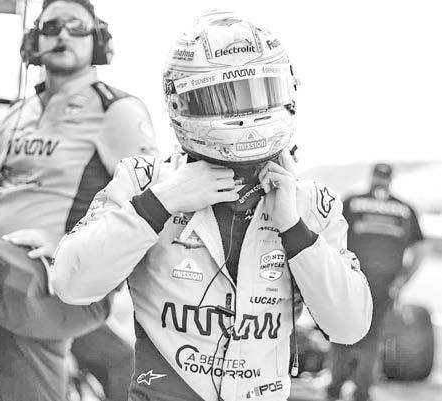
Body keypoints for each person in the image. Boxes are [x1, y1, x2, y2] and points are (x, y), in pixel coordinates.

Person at [53, 11, 372, 401]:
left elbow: (350, 326)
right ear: (180, 103)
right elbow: (71, 283)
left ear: (287, 92)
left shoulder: (311, 203)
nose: (244, 113)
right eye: (223, 97)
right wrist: (161, 203)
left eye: (258, 92)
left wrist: (295, 230)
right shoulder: (144, 182)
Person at [0, 0, 156, 400]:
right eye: (51, 26)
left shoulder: (117, 110)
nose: (63, 34)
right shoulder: (16, 114)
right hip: (3, 276)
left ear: (98, 40)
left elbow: (150, 206)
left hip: (65, 281)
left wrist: (69, 241)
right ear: (34, 41)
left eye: (77, 26)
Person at [326, 163, 425, 401]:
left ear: (372, 178)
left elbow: (330, 237)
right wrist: (401, 281)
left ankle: (336, 388)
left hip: (353, 281)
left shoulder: (352, 202)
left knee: (341, 332)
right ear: (390, 180)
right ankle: (361, 391)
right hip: (384, 285)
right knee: (373, 337)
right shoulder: (405, 209)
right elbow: (420, 250)